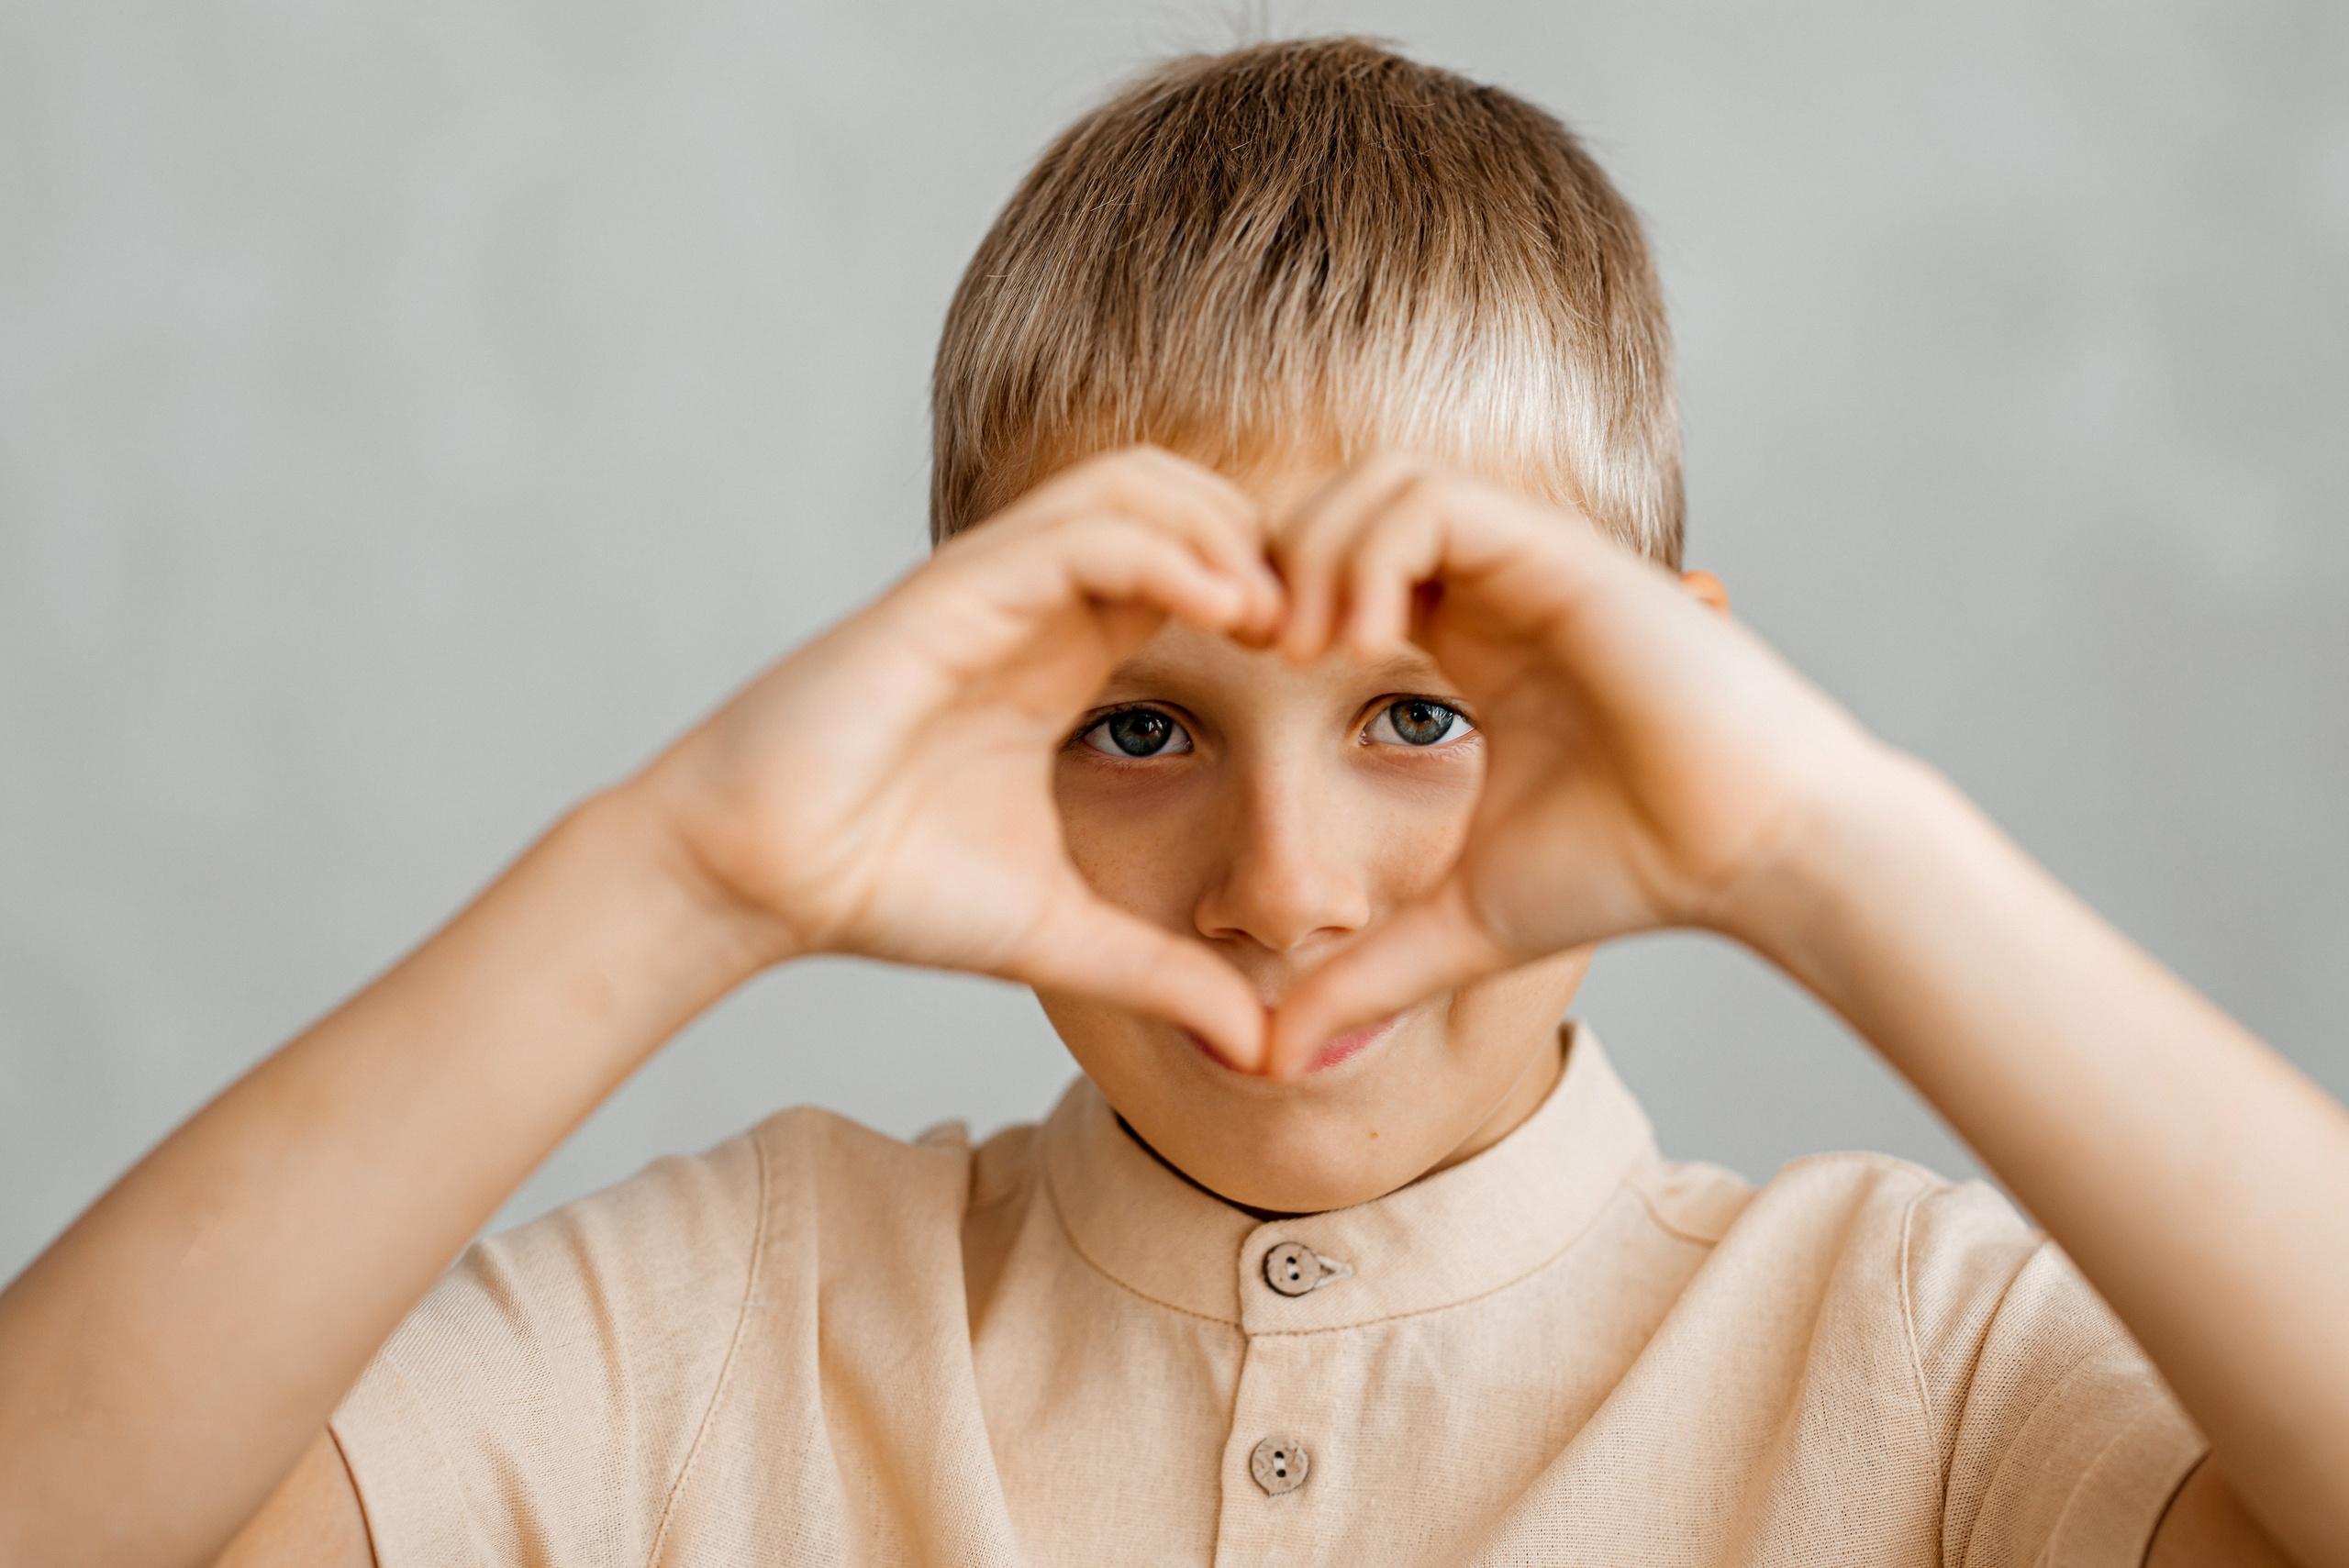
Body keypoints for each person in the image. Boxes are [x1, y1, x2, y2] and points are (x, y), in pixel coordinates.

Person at [1, 36, 2343, 1568]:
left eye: (1417, 717)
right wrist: (675, 871)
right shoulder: (737, 1322)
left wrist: (1825, 845)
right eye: (1139, 727)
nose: (1280, 893)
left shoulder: (1911, 1370)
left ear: (1672, 708)